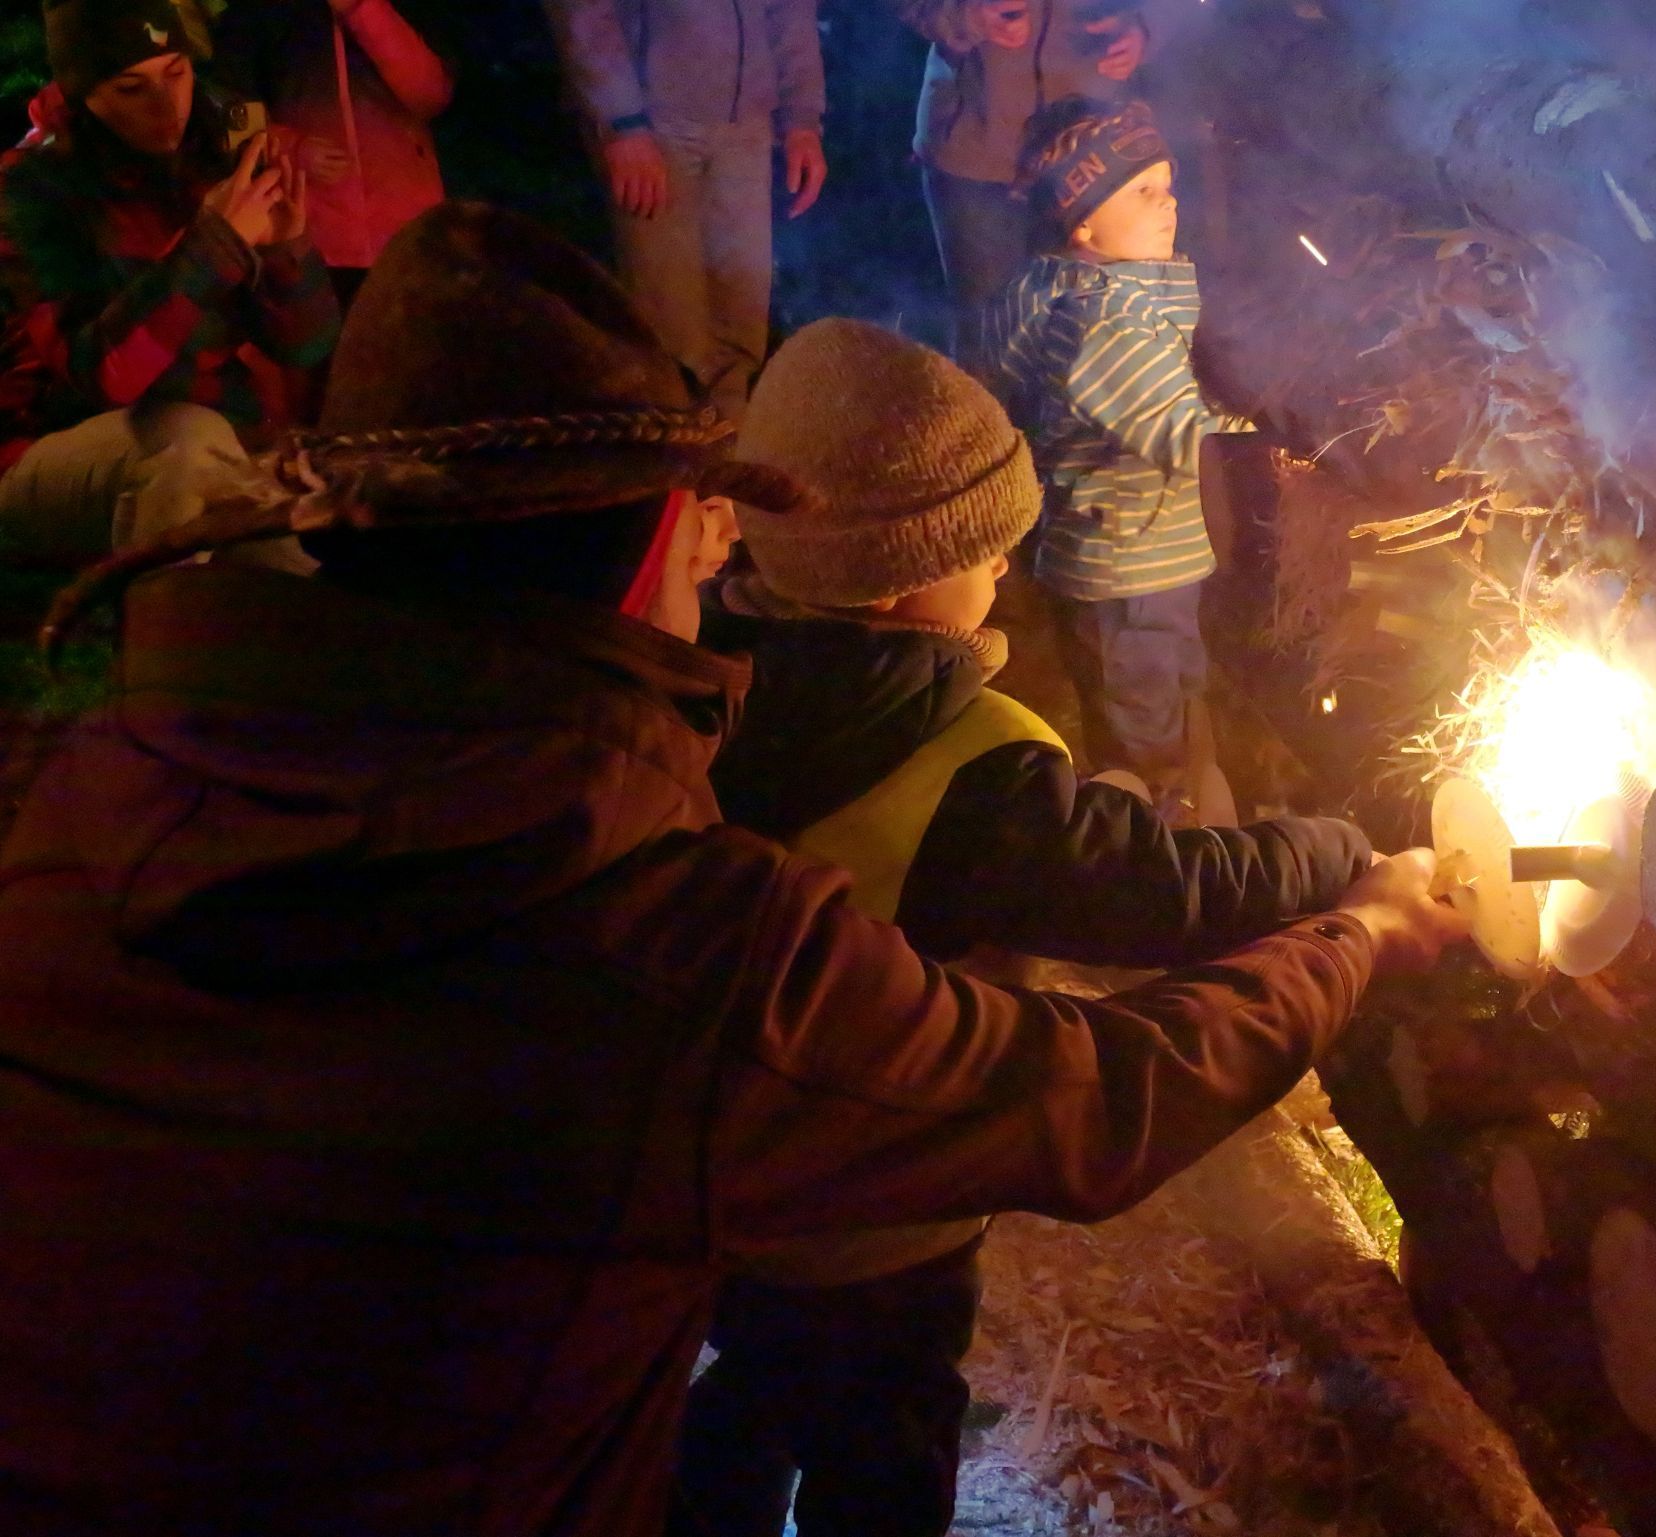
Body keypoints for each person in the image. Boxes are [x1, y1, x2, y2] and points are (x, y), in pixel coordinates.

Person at [0, 199, 1465, 1537]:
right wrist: (1360, 933)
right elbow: (1091, 1098)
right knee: (874, 1429)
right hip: (768, 1328)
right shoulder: (667, 939)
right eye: (698, 531)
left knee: (749, 1400)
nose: (721, 556)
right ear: (648, 555)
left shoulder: (76, 795)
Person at [668, 316, 1378, 1537]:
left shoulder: (702, 675)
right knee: (888, 1427)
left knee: (760, 1379)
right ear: (897, 576)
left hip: (724, 1171)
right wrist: (1334, 854)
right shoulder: (979, 766)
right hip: (882, 1203)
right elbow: (1162, 892)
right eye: (982, 547)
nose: (1006, 564)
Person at [0, 0, 339, 568]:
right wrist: (211, 249)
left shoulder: (212, 160)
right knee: (186, 439)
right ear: (84, 95)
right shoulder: (33, 186)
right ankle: (161, 621)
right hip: (45, 451)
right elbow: (101, 376)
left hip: (212, 446)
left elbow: (307, 346)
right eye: (131, 88)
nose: (167, 105)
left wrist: (285, 252)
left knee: (294, 577)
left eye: (176, 72)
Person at [982, 96, 1246, 806]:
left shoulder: (1079, 291)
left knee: (1165, 689)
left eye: (1168, 184)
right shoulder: (1105, 322)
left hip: (1133, 557)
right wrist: (1287, 418)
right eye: (1143, 191)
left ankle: (1184, 798)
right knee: (1143, 727)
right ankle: (1154, 835)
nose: (1170, 203)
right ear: (1082, 222)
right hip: (1129, 568)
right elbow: (1178, 427)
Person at [542, 0, 827, 424]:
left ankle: (728, 452)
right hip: (654, 125)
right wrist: (622, 122)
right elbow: (584, 10)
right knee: (672, 334)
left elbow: (790, 8)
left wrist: (801, 119)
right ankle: (675, 455)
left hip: (747, 123)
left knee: (740, 330)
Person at [897, 0, 1146, 350]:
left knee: (1086, 336)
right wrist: (967, 17)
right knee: (989, 336)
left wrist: (1146, 29)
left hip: (1090, 155)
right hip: (976, 154)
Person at [212, 0, 454, 308]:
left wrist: (360, 8)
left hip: (409, 233)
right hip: (313, 243)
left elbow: (430, 95)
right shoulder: (257, 12)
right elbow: (235, 115)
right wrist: (293, 149)